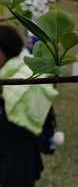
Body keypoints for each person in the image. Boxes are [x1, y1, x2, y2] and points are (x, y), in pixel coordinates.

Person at [0, 25, 58, 187]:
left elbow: (21, 125)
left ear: (5, 50)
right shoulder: (20, 66)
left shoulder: (24, 80)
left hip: (17, 159)